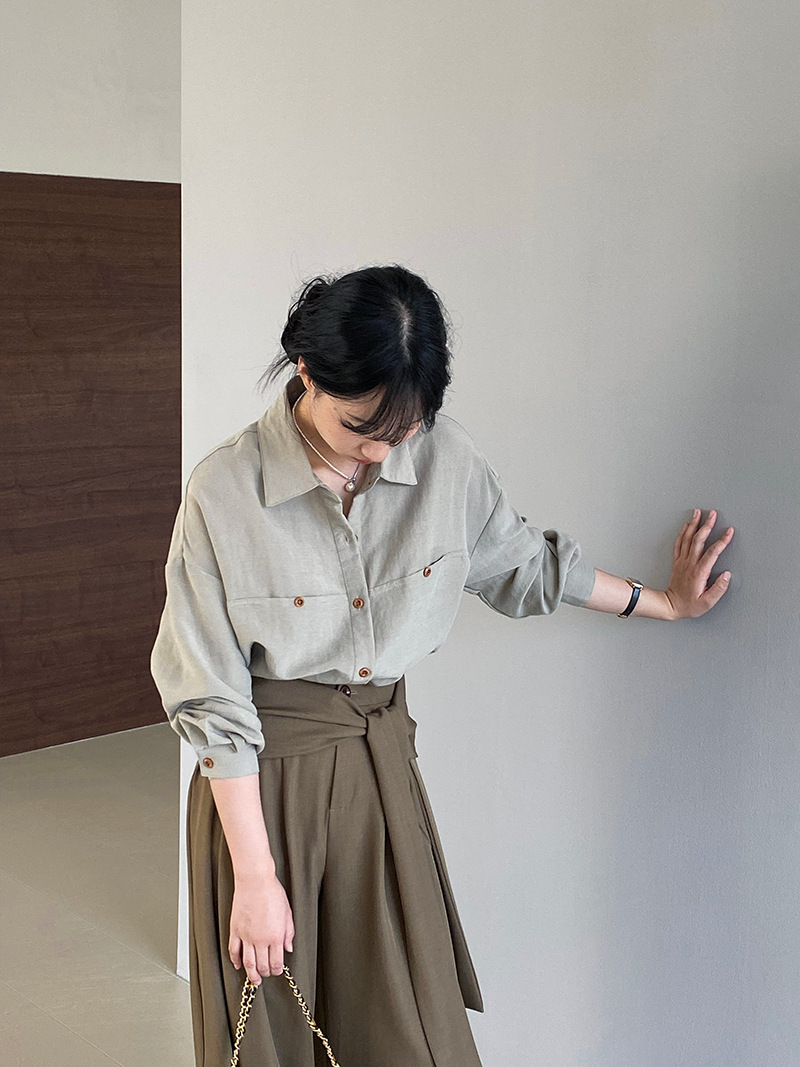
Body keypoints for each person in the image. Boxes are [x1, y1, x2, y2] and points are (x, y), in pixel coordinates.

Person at [150, 264, 734, 1067]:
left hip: (381, 775)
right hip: (264, 789)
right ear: (307, 371)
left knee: (407, 1032)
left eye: (403, 429)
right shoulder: (225, 491)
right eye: (362, 427)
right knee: (277, 1035)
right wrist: (255, 877)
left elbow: (524, 566)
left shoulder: (444, 458)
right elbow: (212, 697)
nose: (381, 449)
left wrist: (662, 601)